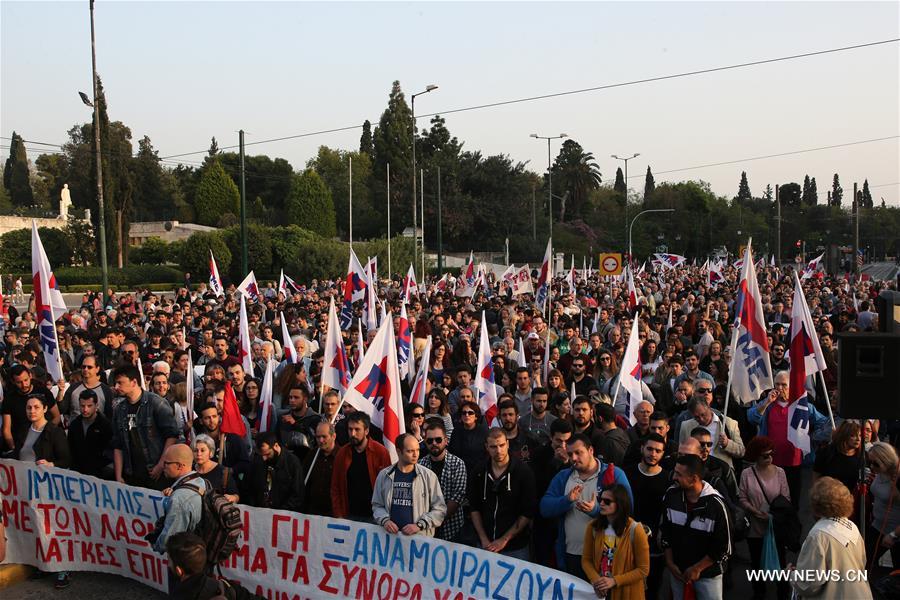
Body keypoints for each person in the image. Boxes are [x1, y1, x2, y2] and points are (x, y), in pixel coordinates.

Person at [540, 433, 633, 579]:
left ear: (591, 450)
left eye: (579, 453)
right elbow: (545, 508)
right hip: (571, 555)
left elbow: (627, 512)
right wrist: (566, 500)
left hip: (604, 556)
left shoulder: (613, 474)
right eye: (570, 454)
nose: (574, 458)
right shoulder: (563, 477)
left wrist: (596, 510)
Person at [748, 370, 831, 508]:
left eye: (784, 385)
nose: (780, 389)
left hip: (795, 462)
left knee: (793, 501)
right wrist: (767, 402)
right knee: (774, 501)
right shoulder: (769, 405)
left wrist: (813, 437)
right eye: (777, 385)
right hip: (772, 461)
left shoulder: (802, 406)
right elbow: (752, 418)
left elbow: (824, 423)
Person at [661, 454, 732, 600]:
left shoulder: (716, 506)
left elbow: (723, 547)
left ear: (694, 479)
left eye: (679, 474)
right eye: (675, 472)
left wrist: (697, 568)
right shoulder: (671, 496)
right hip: (678, 573)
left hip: (708, 577)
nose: (674, 477)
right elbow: (666, 532)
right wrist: (669, 562)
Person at [789, 477, 873, 600]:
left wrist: (791, 575)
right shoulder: (851, 527)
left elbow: (809, 584)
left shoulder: (818, 535)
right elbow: (860, 563)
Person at [468, 428, 537, 560]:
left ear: (508, 444)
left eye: (501, 445)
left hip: (516, 548)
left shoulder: (524, 472)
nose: (498, 451)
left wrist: (504, 540)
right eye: (493, 447)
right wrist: (484, 540)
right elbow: (474, 507)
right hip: (484, 545)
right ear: (486, 447)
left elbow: (527, 512)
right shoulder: (478, 471)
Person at [111, 364, 181, 489]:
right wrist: (118, 476)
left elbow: (172, 435)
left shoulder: (156, 403)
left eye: (120, 383)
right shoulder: (119, 409)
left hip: (155, 473)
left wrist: (160, 465)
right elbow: (118, 444)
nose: (116, 387)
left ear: (133, 382)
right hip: (131, 474)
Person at [738, 436, 791, 600]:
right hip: (755, 527)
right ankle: (759, 592)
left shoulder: (780, 472)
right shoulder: (747, 474)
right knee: (756, 562)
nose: (769, 458)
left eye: (771, 454)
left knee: (780, 562)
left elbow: (786, 498)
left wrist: (773, 515)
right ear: (755, 456)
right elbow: (742, 497)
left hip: (775, 526)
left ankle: (782, 592)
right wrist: (754, 511)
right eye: (765, 456)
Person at [582, 484, 650, 600]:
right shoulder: (593, 527)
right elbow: (586, 560)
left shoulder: (635, 530)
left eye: (607, 501)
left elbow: (643, 570)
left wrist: (614, 581)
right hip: (601, 592)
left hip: (628, 594)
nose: (601, 504)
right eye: (600, 499)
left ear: (619, 504)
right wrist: (597, 581)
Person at [372, 433, 447, 537]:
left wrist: (419, 525)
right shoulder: (384, 475)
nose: (416, 454)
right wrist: (385, 521)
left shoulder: (428, 476)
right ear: (398, 451)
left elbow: (440, 509)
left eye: (417, 450)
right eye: (410, 451)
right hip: (390, 539)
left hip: (419, 541)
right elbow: (377, 505)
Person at [623, 433, 671, 596]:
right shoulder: (626, 474)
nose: (653, 454)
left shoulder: (668, 478)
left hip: (655, 548)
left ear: (663, 453)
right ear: (642, 448)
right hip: (626, 542)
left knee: (652, 590)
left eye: (658, 451)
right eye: (650, 449)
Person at [331, 411, 391, 521]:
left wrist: (384, 516)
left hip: (374, 516)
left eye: (357, 429)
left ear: (366, 431)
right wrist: (338, 514)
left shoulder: (380, 452)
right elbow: (335, 486)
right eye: (350, 429)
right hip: (348, 515)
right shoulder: (342, 454)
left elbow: (388, 487)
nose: (353, 434)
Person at [165, 532, 259, 600]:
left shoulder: (177, 596)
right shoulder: (227, 587)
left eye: (169, 560)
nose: (168, 564)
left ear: (179, 570)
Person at [418, 419, 467, 542]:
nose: (434, 443)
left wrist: (435, 519)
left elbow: (458, 496)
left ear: (446, 441)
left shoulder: (457, 463)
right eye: (430, 441)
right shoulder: (420, 464)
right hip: (424, 527)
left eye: (438, 440)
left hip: (452, 528)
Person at [152, 444, 203, 555]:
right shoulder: (200, 481)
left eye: (166, 463)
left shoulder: (179, 499)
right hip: (200, 554)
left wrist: (155, 545)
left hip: (184, 559)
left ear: (180, 466)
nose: (162, 466)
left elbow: (169, 540)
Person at [2, 364, 61, 452]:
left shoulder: (43, 392)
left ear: (30, 376)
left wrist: (45, 434)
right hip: (21, 443)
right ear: (13, 381)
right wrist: (14, 449)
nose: (24, 384)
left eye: (26, 380)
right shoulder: (9, 398)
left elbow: (57, 417)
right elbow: (6, 429)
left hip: (44, 442)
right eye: (19, 382)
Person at [678, 395, 744, 468]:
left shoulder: (729, 424)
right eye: (697, 417)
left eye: (703, 414)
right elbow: (681, 453)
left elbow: (741, 451)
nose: (701, 419)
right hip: (696, 470)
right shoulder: (686, 426)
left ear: (709, 407)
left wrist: (727, 444)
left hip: (721, 471)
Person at [865, 441, 900, 573]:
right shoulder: (880, 472)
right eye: (870, 462)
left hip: (895, 532)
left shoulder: (898, 477)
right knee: (864, 561)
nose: (872, 466)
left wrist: (893, 535)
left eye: (876, 463)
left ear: (886, 461)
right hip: (877, 526)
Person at [246, 432, 305, 511]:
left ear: (276, 446)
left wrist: (281, 512)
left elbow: (297, 494)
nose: (264, 458)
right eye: (262, 454)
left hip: (283, 514)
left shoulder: (292, 463)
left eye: (268, 454)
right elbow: (249, 487)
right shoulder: (258, 461)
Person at [67, 389, 113, 478]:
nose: (85, 409)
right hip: (78, 472)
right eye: (82, 406)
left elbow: (110, 450)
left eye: (89, 406)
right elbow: (70, 448)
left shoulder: (105, 425)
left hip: (99, 473)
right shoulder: (75, 424)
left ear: (96, 406)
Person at [302, 420, 341, 516]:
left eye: (324, 436)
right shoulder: (312, 455)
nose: (320, 440)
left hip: (334, 513)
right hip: (313, 511)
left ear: (334, 436)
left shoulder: (342, 456)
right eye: (318, 437)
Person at [813, 420, 863, 493]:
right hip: (828, 496)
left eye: (860, 435)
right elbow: (816, 477)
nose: (858, 439)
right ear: (843, 435)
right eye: (853, 435)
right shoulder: (826, 453)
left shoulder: (863, 456)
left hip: (853, 499)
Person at [191, 434, 240, 503]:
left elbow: (236, 496)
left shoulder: (223, 472)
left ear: (210, 452)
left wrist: (232, 498)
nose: (199, 454)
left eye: (202, 450)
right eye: (196, 450)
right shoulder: (189, 470)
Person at [447, 400, 489, 469]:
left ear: (476, 416)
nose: (467, 415)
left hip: (478, 469)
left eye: (470, 413)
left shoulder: (483, 431)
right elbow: (451, 451)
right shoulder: (456, 431)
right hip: (458, 468)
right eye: (464, 413)